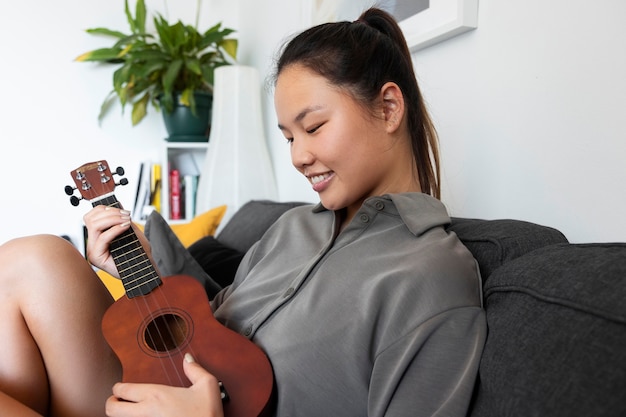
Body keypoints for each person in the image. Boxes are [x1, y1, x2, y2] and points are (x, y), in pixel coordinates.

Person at [0, 7, 485, 417]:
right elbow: (211, 324)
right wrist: (137, 265)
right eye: (289, 137)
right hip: (153, 393)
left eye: (313, 127)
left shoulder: (432, 275)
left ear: (388, 109)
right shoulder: (293, 227)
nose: (298, 157)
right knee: (30, 260)